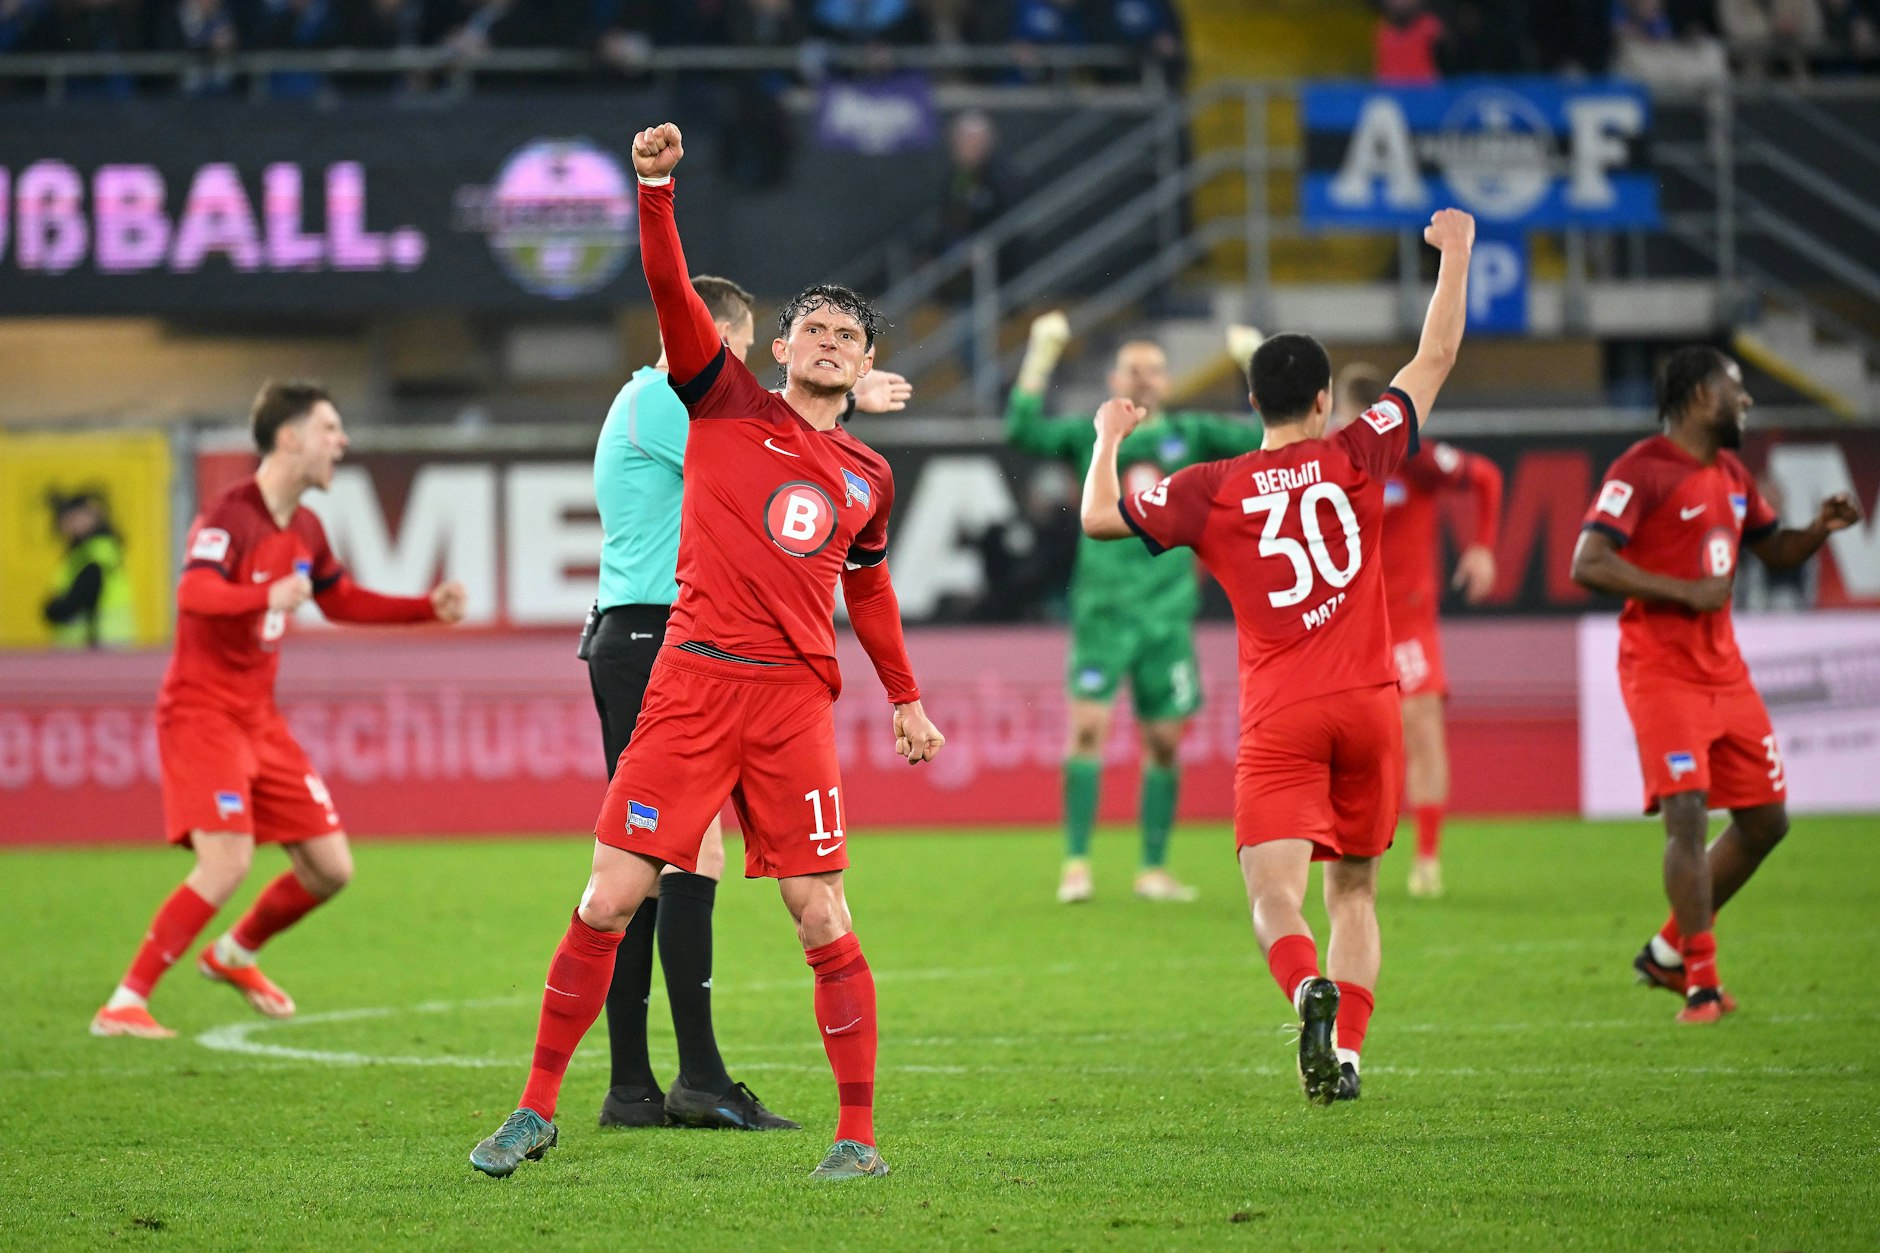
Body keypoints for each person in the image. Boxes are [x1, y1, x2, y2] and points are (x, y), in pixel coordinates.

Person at [470, 121, 945, 1183]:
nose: (828, 341)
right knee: (606, 893)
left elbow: (866, 583)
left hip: (790, 703)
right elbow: (672, 291)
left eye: (847, 337)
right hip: (689, 681)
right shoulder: (718, 397)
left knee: (817, 906)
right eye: (812, 328)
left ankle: (856, 1135)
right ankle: (534, 1109)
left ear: (868, 364)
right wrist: (655, 189)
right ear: (775, 349)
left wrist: (906, 698)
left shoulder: (866, 473)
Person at [1081, 208, 1476, 1104]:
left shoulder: (1211, 489)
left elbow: (1098, 518)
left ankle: (1308, 992)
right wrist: (1455, 254)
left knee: (1273, 898)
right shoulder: (1362, 449)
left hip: (1283, 712)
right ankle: (1350, 1057)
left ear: (1250, 402)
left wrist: (1109, 436)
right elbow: (1437, 355)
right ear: (1326, 399)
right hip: (1372, 701)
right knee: (1357, 892)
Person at [586, 272, 912, 1134]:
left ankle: (659, 1080)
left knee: (677, 863)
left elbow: (794, 445)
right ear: (739, 343)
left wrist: (843, 403)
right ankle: (666, 1079)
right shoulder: (675, 400)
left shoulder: (661, 402)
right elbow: (771, 434)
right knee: (655, 866)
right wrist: (846, 400)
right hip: (676, 640)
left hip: (666, 636)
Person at [91, 380, 468, 1039]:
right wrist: (265, 593)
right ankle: (125, 1000)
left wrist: (422, 607)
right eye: (329, 428)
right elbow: (196, 595)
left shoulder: (307, 528)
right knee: (227, 861)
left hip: (259, 720)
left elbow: (340, 597)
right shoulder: (227, 516)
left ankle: (234, 952)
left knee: (330, 868)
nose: (341, 442)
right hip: (202, 713)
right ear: (289, 437)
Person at [1571, 346, 1862, 1025]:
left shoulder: (1732, 472)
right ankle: (1700, 979)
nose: (1746, 401)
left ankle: (1667, 951)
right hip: (1661, 670)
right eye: (1736, 389)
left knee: (1767, 819)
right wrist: (1683, 590)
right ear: (1701, 397)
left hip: (1724, 671)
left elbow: (1773, 547)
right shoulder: (1640, 470)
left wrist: (1818, 529)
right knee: (1689, 812)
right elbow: (1589, 559)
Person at [1007, 313, 1265, 905]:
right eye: (1133, 369)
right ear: (1112, 377)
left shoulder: (1196, 434)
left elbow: (1265, 434)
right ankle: (1076, 864)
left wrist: (1254, 362)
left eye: (1154, 369)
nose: (1145, 378)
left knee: (1167, 742)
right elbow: (1021, 428)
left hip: (1168, 614)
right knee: (1089, 730)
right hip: (1104, 608)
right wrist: (1041, 356)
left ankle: (1152, 868)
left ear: (1169, 382)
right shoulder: (1088, 436)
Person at [1333, 364, 1504, 898]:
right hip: (1345, 624)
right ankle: (1348, 850)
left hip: (1405, 620)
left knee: (1421, 727)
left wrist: (1481, 546)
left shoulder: (1415, 457)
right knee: (1350, 742)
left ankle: (1427, 859)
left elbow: (1486, 478)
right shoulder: (1327, 461)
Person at [43, 490, 134, 649]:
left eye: (74, 517)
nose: (68, 524)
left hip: (97, 644)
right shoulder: (91, 549)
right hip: (100, 644)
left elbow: (79, 597)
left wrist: (54, 609)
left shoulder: (95, 552)